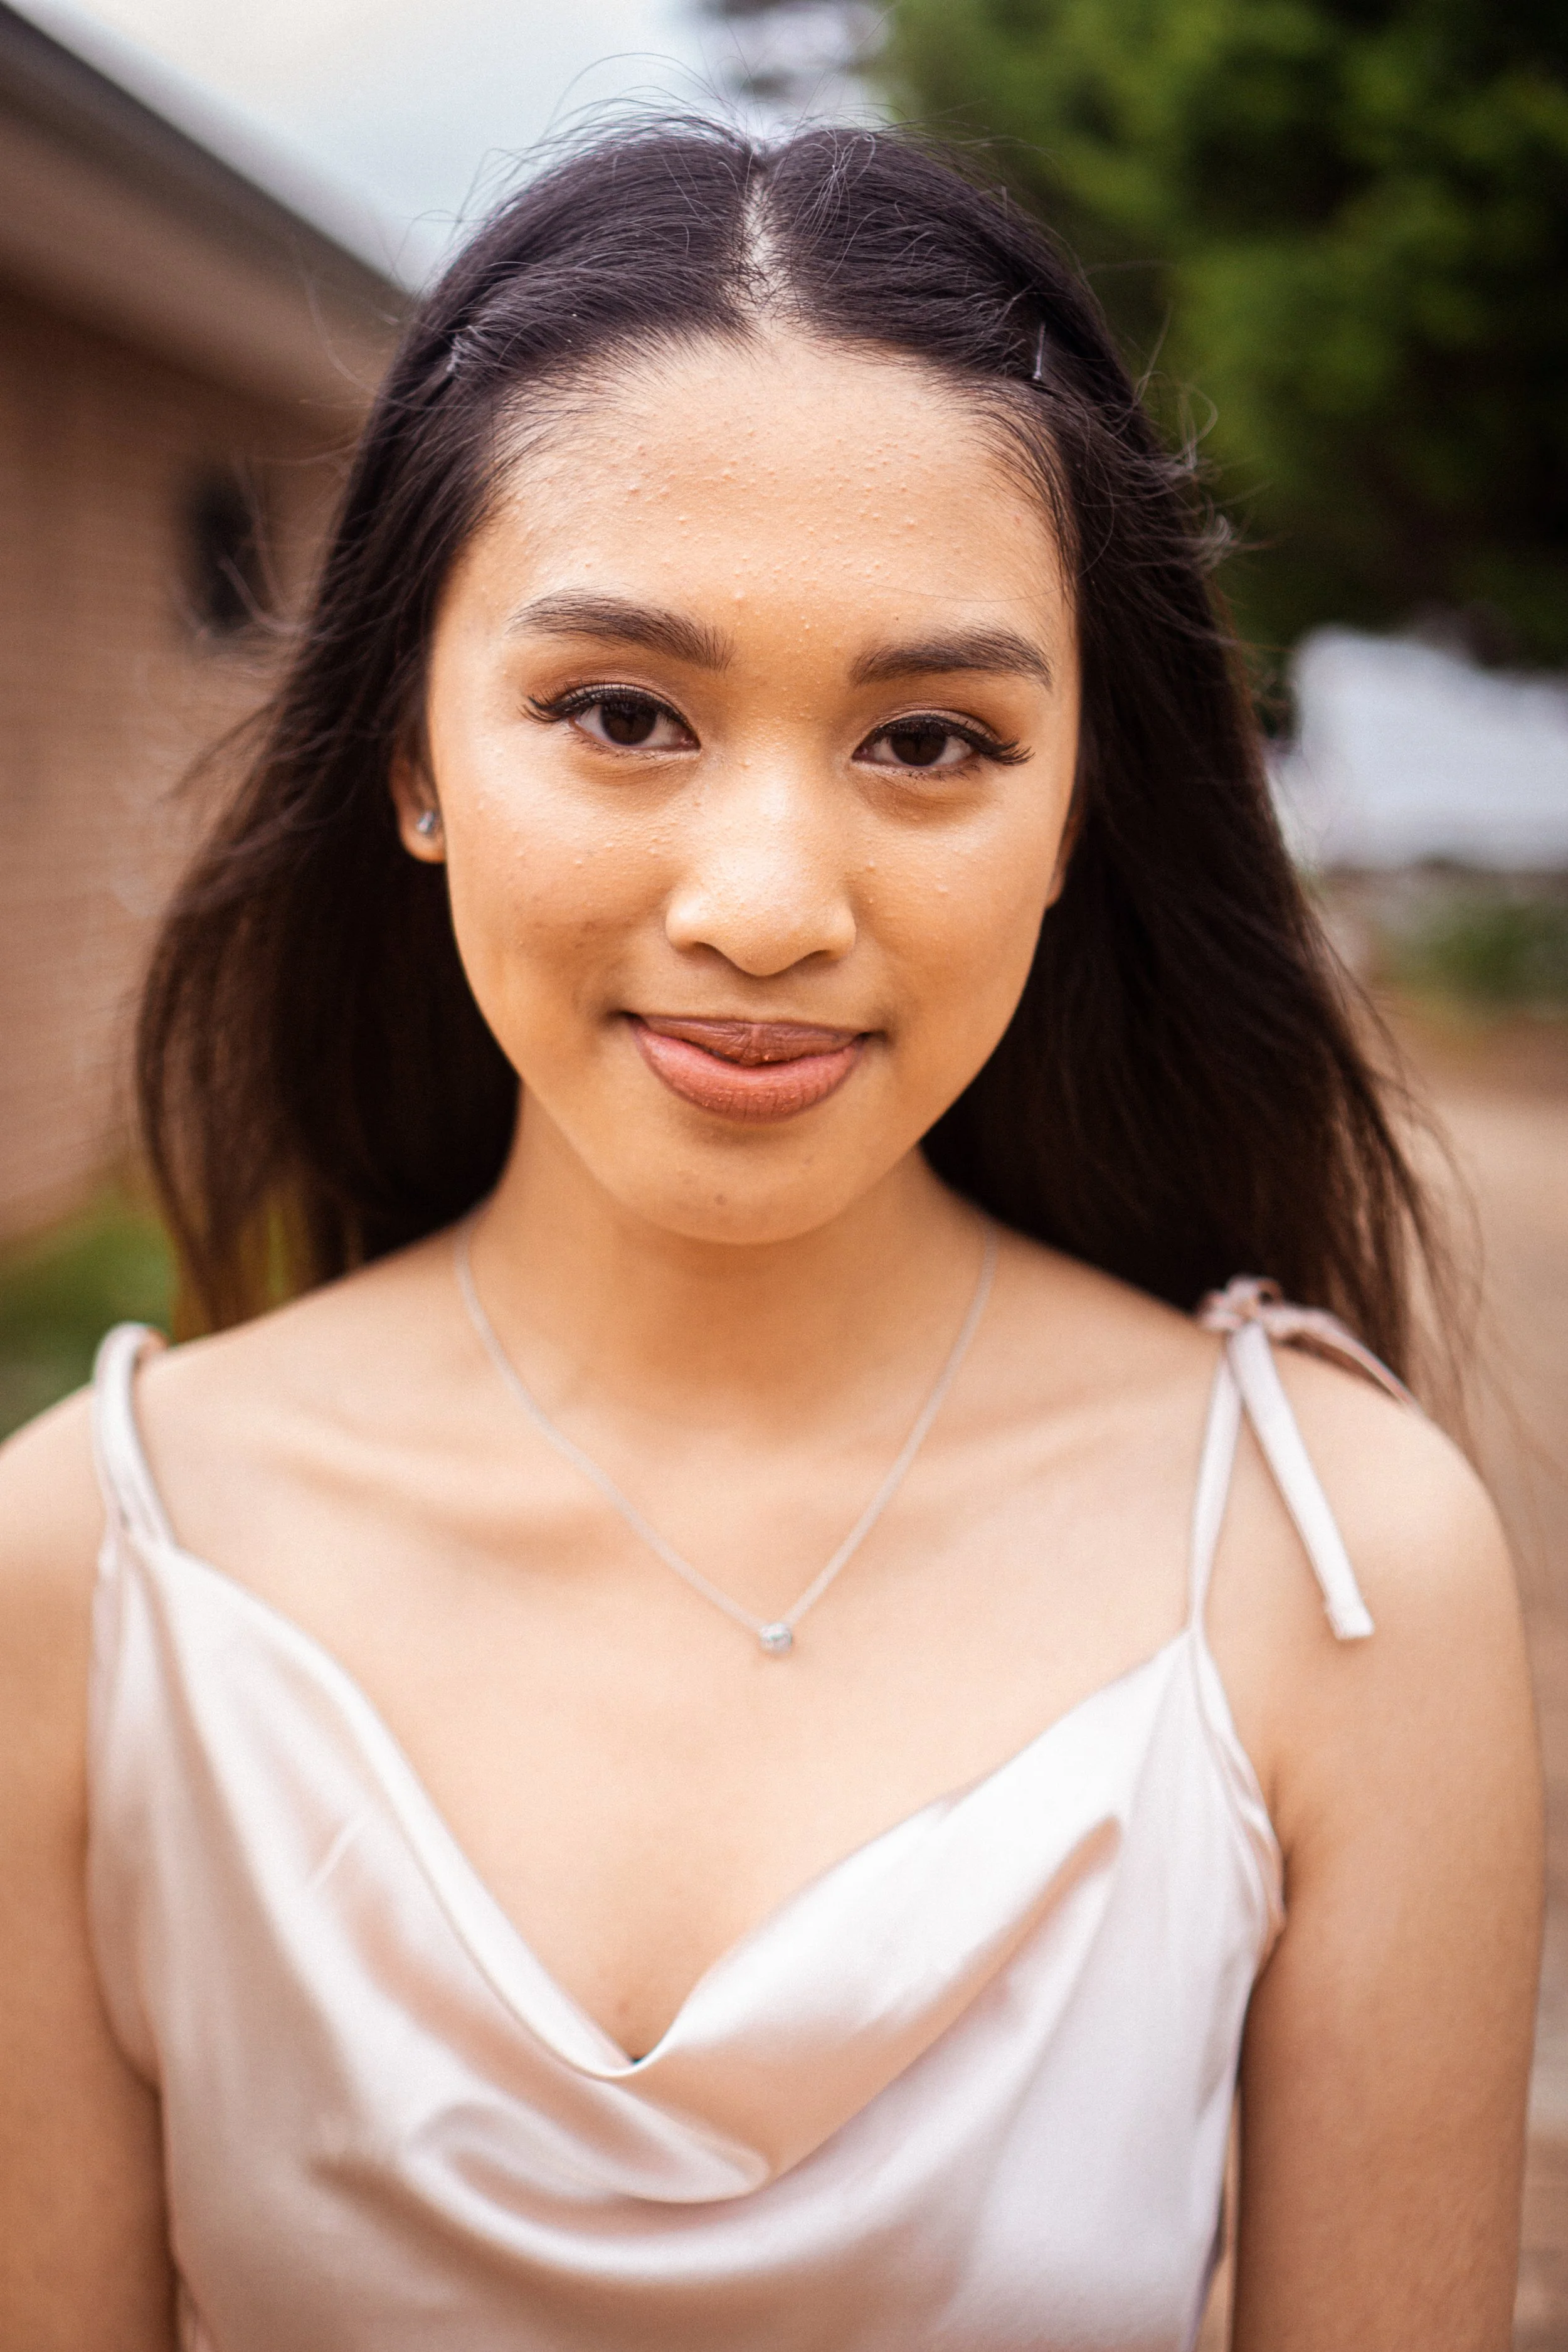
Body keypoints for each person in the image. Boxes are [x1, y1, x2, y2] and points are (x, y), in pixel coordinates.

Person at [0, 120, 1542, 2352]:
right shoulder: (88, 1576)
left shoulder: (1327, 1567)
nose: (762, 904)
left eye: (929, 738)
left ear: (1077, 804)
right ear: (413, 756)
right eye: (619, 713)